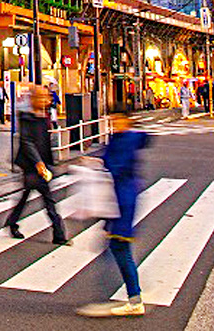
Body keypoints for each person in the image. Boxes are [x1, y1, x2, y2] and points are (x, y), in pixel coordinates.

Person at [78, 107, 149, 317]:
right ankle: (130, 296)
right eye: (112, 120)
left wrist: (98, 165)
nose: (114, 124)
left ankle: (134, 299)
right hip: (118, 200)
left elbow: (115, 165)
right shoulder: (120, 138)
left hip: (123, 202)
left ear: (126, 121)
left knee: (119, 248)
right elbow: (111, 163)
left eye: (117, 120)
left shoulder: (125, 140)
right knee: (116, 248)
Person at [6, 85, 68, 244]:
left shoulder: (43, 116)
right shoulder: (27, 117)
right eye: (40, 97)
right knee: (48, 199)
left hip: (40, 164)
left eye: (46, 97)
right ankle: (59, 234)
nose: (44, 100)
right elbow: (27, 142)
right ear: (33, 99)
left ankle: (12, 222)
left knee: (26, 196)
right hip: (32, 166)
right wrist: (39, 162)